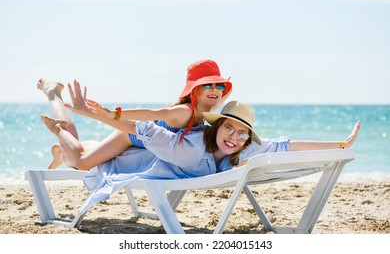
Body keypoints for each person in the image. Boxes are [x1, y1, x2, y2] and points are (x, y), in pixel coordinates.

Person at [40, 100, 360, 213]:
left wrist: (340, 145)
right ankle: (57, 113)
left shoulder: (248, 147)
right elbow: (144, 127)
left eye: (242, 132)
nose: (234, 138)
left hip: (149, 153)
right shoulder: (188, 146)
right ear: (217, 127)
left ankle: (61, 144)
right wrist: (100, 114)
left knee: (81, 153)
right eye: (229, 129)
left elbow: (287, 146)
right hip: (128, 160)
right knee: (80, 157)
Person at [37, 59, 232, 169]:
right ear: (194, 90)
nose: (215, 89)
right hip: (129, 134)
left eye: (219, 85)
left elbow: (221, 97)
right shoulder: (184, 112)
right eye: (207, 85)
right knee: (82, 161)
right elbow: (151, 113)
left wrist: (222, 90)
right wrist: (112, 113)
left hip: (142, 139)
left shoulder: (208, 108)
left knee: (84, 151)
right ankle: (53, 94)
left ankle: (60, 152)